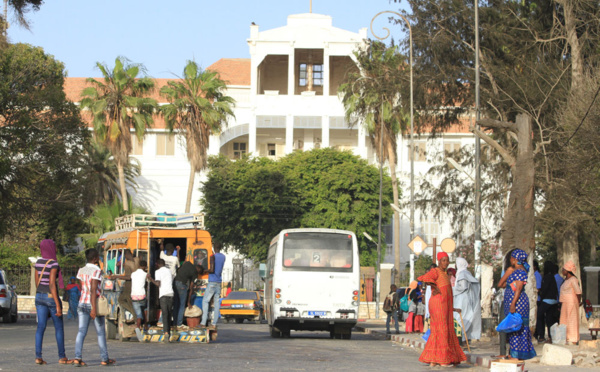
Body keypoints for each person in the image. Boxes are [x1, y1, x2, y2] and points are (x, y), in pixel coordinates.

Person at [417, 252, 466, 367]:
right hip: (438, 304)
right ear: (439, 261)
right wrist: (434, 287)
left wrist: (453, 308)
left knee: (439, 330)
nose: (446, 262)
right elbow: (424, 278)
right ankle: (443, 359)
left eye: (447, 260)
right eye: (443, 260)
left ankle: (434, 360)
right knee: (442, 329)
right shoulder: (436, 271)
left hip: (444, 305)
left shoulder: (444, 274)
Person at [34, 239, 73, 365]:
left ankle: (38, 356)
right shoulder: (54, 264)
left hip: (39, 296)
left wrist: (41, 294)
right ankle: (62, 357)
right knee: (58, 328)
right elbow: (52, 284)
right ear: (50, 248)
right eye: (54, 247)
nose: (56, 249)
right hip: (51, 297)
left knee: (41, 327)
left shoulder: (38, 263)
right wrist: (57, 304)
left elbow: (37, 282)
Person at [74, 248, 115, 367]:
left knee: (81, 331)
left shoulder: (81, 270)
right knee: (100, 332)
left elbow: (83, 287)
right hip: (93, 304)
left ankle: (77, 357)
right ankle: (104, 358)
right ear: (95, 258)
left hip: (82, 302)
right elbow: (93, 290)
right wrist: (93, 308)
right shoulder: (96, 271)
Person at [503, 249, 536, 360]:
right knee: (513, 328)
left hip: (518, 303)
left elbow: (519, 289)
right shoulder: (517, 270)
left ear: (515, 259)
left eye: (511, 258)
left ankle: (516, 354)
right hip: (516, 301)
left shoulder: (520, 272)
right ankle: (513, 352)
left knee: (516, 327)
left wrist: (513, 304)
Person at [453, 257, 481, 342]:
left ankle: (460, 339)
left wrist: (451, 289)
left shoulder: (462, 274)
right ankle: (462, 339)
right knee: (462, 318)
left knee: (460, 318)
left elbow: (463, 286)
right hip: (462, 298)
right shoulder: (465, 273)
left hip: (462, 299)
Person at [147, 259, 174, 342]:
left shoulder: (158, 272)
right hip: (170, 293)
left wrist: (150, 278)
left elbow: (158, 284)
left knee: (165, 314)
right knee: (168, 314)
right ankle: (168, 332)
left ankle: (166, 333)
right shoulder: (169, 271)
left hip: (164, 295)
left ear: (158, 264)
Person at [107, 250, 137, 324]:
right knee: (124, 300)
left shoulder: (128, 263)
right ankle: (135, 314)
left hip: (129, 285)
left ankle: (135, 316)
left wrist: (117, 276)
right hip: (132, 285)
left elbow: (130, 277)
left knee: (124, 300)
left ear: (126, 255)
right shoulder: (137, 259)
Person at [201, 242, 226, 328]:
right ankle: (214, 323)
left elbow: (211, 270)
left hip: (212, 282)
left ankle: (203, 323)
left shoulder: (212, 256)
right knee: (216, 304)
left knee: (205, 301)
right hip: (219, 282)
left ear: (214, 247)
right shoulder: (223, 257)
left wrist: (205, 271)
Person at [173, 261, 203, 330]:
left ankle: (174, 323)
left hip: (175, 283)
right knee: (181, 306)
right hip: (182, 286)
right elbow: (191, 287)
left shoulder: (188, 263)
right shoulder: (195, 273)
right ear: (198, 269)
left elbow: (180, 266)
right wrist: (188, 302)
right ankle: (179, 324)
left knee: (176, 305)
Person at [559, 261, 582, 345]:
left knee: (572, 320)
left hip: (572, 301)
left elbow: (578, 292)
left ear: (568, 270)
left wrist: (578, 302)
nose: (562, 271)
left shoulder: (573, 280)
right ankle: (565, 337)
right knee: (564, 320)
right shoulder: (566, 280)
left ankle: (573, 338)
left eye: (563, 270)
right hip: (564, 302)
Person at [538, 261, 559, 343]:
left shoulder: (547, 277)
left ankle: (541, 336)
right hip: (553, 300)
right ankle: (551, 337)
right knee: (550, 320)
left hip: (546, 300)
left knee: (539, 316)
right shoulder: (552, 277)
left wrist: (541, 295)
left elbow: (545, 289)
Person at [131, 260, 148, 341]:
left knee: (138, 315)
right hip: (142, 296)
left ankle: (138, 327)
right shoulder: (145, 274)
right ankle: (145, 325)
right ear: (144, 267)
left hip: (134, 297)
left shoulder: (133, 274)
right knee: (145, 309)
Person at [533, 260, 544, 341]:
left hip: (537, 299)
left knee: (538, 318)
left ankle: (540, 334)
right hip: (534, 299)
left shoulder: (537, 275)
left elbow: (538, 287)